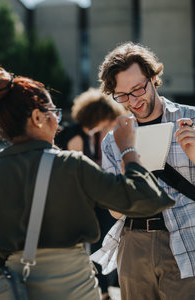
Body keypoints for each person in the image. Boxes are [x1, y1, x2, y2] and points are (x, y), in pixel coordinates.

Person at [0, 66, 175, 300]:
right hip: (74, 286)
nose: (58, 123)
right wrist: (128, 149)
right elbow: (146, 200)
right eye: (54, 113)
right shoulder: (70, 165)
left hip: (20, 288)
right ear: (38, 118)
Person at [91, 42, 195, 300]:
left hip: (190, 238)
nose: (134, 100)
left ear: (153, 78)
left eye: (138, 88)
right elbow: (115, 211)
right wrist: (128, 158)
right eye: (123, 95)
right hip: (134, 243)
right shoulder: (113, 139)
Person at [54, 88, 124, 300]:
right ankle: (102, 290)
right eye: (108, 118)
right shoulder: (76, 135)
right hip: (78, 203)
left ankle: (103, 288)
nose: (111, 122)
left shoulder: (86, 134)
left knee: (103, 237)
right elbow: (77, 171)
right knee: (99, 239)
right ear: (98, 116)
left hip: (87, 201)